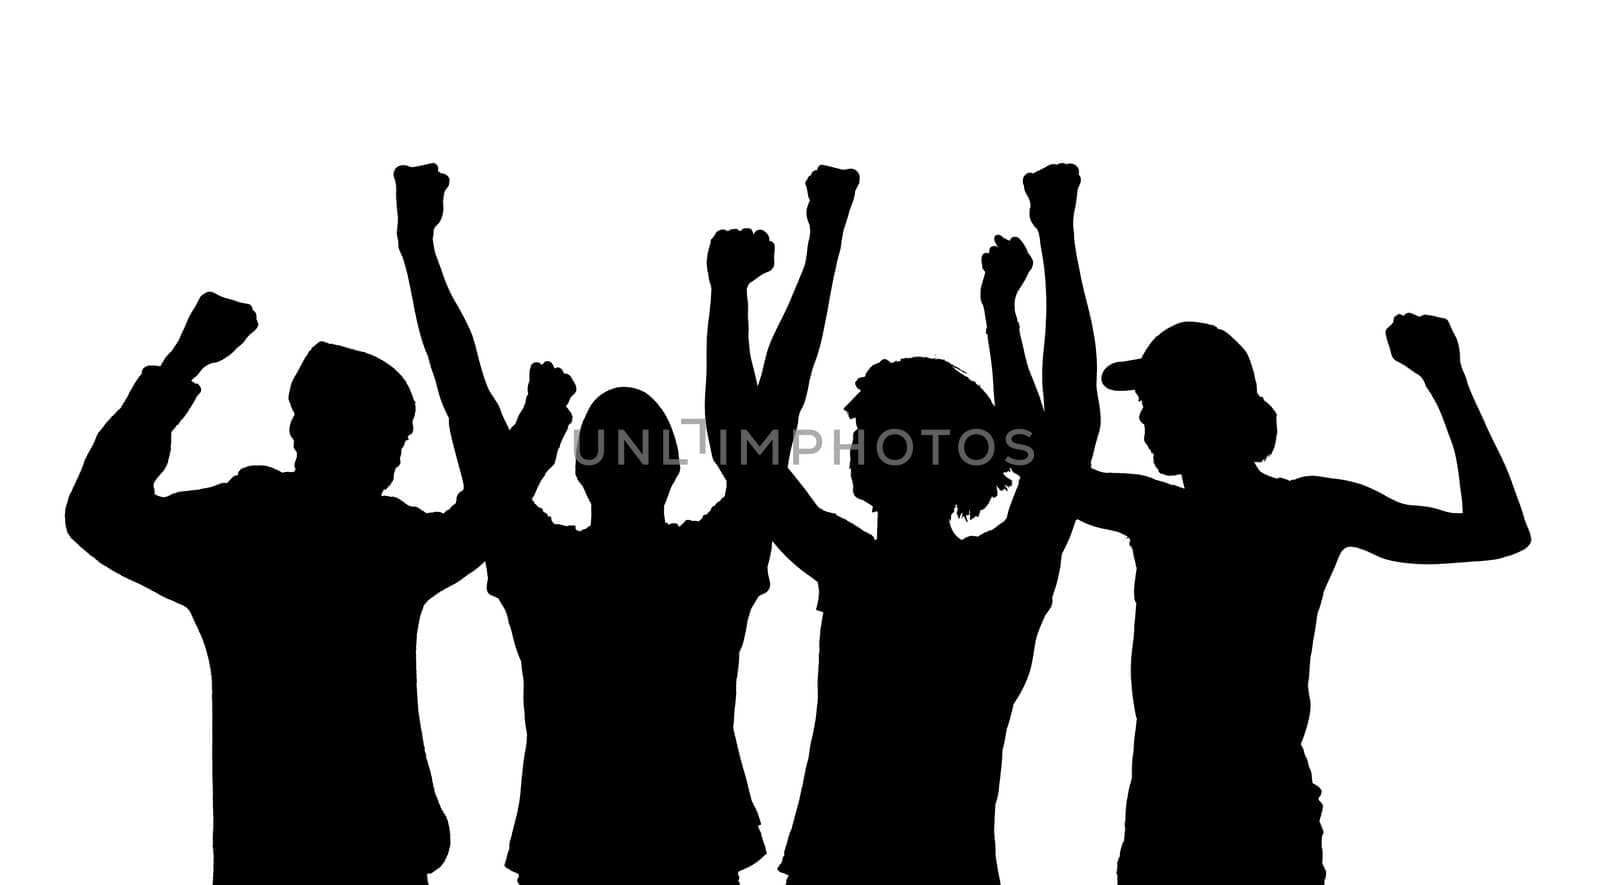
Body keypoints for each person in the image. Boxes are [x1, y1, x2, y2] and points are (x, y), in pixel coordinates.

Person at [392, 162, 859, 882]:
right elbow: (769, 418)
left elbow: (468, 405)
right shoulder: (710, 562)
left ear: (578, 471)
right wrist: (806, 249)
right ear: (673, 467)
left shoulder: (544, 565)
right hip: (690, 843)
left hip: (571, 845)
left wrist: (417, 248)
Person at [709, 163, 1096, 884]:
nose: (862, 441)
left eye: (878, 429)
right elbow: (1061, 448)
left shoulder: (860, 569)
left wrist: (805, 251)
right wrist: (1041, 257)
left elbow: (742, 449)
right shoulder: (995, 576)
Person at [1083, 313, 1531, 882]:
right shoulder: (1305, 512)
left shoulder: (1164, 515)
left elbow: (1498, 533)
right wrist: (1443, 378)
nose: (1144, 415)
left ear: (1202, 405)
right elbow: (1498, 532)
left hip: (1205, 834)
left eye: (1157, 398)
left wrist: (1444, 377)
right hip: (1224, 829)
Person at [65, 292, 487, 884]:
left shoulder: (238, 533)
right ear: (324, 429)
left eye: (401, 441)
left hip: (284, 859)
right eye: (388, 437)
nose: (395, 461)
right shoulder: (375, 545)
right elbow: (488, 513)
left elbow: (99, 513)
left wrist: (185, 364)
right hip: (367, 859)